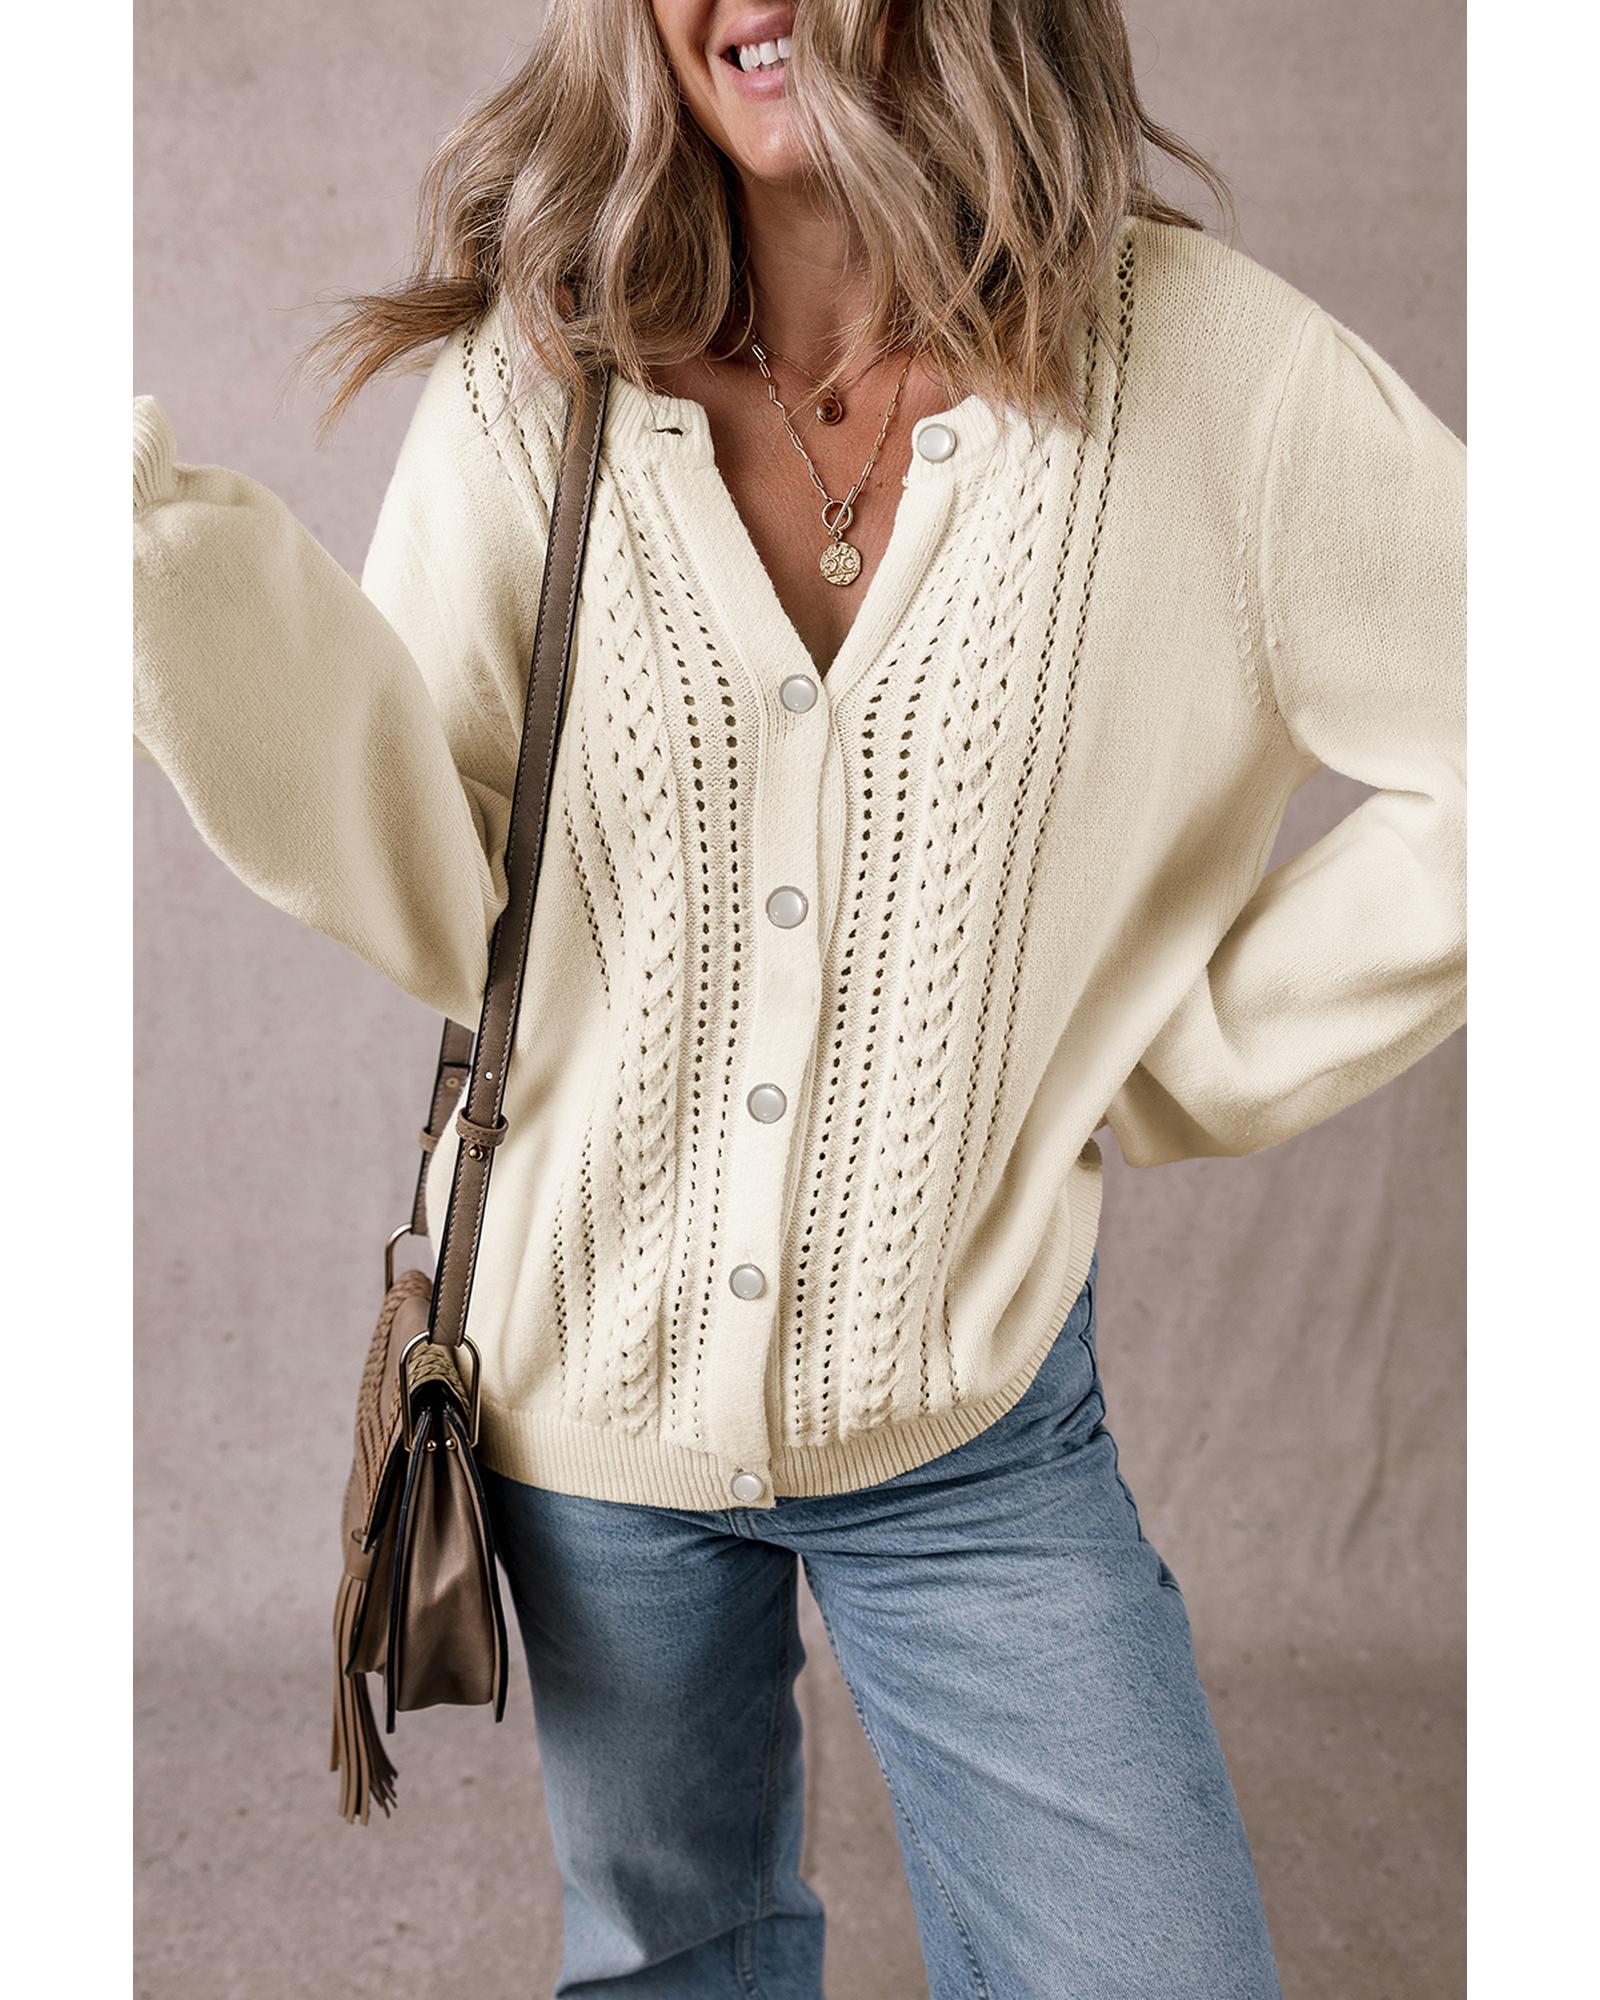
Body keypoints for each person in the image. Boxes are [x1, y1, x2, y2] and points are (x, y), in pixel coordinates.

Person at [132, 2, 1465, 1994]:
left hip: (971, 1421)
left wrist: (1182, 1055)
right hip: (587, 1402)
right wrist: (165, 582)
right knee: (672, 1959)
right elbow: (443, 886)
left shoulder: (1209, 380)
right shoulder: (538, 382)